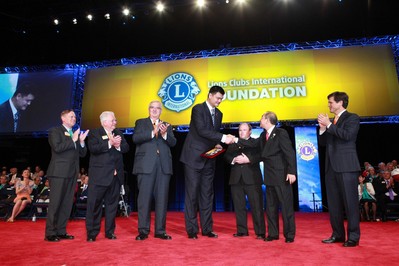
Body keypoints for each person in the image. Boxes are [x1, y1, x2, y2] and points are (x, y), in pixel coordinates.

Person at [180, 85, 235, 239]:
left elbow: (211, 135)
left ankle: (207, 229)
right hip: (193, 158)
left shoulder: (219, 114)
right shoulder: (198, 109)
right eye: (217, 98)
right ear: (210, 95)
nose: (219, 101)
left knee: (207, 194)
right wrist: (223, 138)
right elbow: (202, 130)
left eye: (221, 99)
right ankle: (192, 230)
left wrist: (216, 144)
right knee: (192, 194)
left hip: (209, 158)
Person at [238, 111, 297, 243]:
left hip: (282, 176)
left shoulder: (281, 133)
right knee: (270, 207)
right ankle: (273, 233)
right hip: (269, 176)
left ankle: (289, 235)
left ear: (267, 120)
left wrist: (291, 171)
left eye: (261, 118)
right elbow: (253, 144)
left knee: (286, 206)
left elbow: (289, 153)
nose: (260, 120)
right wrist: (237, 140)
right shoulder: (262, 135)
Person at [318, 91, 361, 247]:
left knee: (350, 203)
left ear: (340, 103)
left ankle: (353, 237)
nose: (328, 105)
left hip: (347, 167)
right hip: (331, 168)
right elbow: (323, 143)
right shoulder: (332, 122)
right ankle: (337, 235)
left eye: (331, 102)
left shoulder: (352, 118)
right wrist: (323, 128)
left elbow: (347, 136)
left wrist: (329, 125)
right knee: (334, 204)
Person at [132, 100, 177, 241]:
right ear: (149, 109)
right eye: (152, 108)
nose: (155, 110)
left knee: (162, 199)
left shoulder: (167, 125)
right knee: (144, 199)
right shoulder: (140, 123)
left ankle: (160, 231)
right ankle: (143, 231)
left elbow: (173, 142)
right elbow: (136, 138)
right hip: (145, 165)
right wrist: (153, 132)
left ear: (161, 111)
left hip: (163, 166)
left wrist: (164, 134)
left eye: (158, 108)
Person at [45, 109, 89, 242]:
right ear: (63, 118)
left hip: (72, 173)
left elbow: (82, 154)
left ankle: (61, 231)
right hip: (58, 173)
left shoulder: (74, 134)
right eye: (71, 116)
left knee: (67, 203)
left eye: (75, 117)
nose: (74, 119)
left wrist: (81, 142)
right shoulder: (55, 131)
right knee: (56, 202)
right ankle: (50, 233)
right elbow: (57, 148)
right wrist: (73, 140)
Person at [86, 111, 129, 242]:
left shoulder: (119, 133)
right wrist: (109, 143)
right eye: (113, 120)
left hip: (115, 178)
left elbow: (126, 147)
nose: (115, 122)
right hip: (99, 177)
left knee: (112, 207)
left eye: (115, 120)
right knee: (94, 206)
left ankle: (110, 232)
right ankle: (92, 233)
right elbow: (93, 148)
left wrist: (118, 146)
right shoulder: (94, 133)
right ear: (104, 122)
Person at [224, 123, 266, 239]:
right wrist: (233, 160)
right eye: (240, 130)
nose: (241, 132)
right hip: (236, 179)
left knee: (257, 206)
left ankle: (260, 232)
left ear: (250, 131)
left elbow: (261, 155)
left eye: (244, 130)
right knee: (239, 207)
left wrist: (248, 160)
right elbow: (226, 156)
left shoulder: (256, 142)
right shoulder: (233, 144)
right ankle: (242, 230)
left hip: (252, 179)